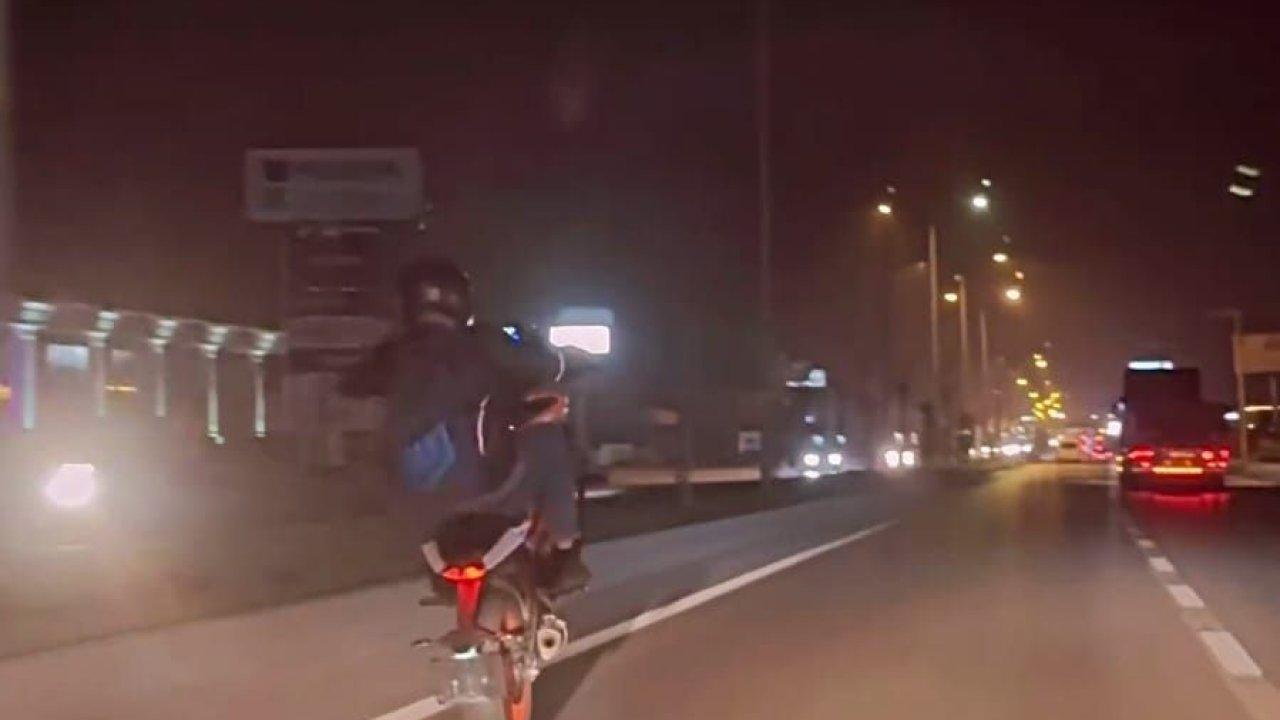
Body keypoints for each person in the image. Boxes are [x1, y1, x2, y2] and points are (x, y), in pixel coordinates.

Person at [341, 257, 590, 595]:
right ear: (461, 301)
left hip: (409, 505)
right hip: (486, 489)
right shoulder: (485, 342)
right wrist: (570, 361)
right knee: (548, 433)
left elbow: (350, 385)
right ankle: (564, 545)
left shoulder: (389, 354)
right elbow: (547, 365)